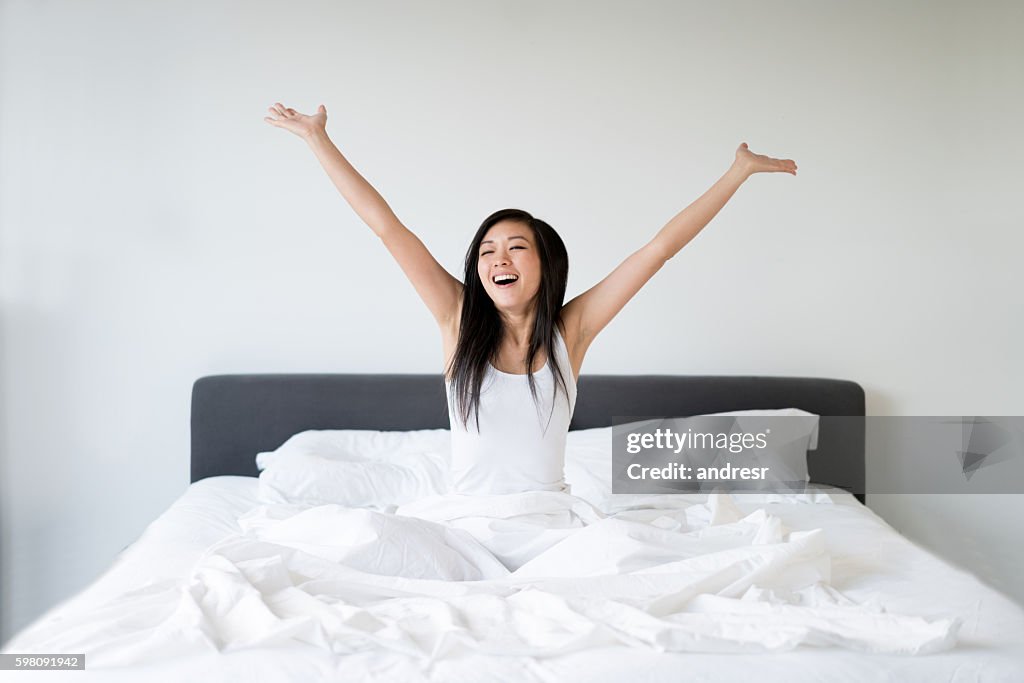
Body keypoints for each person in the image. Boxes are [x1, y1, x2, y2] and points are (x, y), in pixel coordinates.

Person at [264, 102, 797, 497]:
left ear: (547, 265)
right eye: (488, 251)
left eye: (517, 248)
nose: (500, 259)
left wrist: (738, 171)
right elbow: (387, 227)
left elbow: (658, 250)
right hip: (468, 522)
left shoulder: (573, 331)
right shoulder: (456, 318)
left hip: (550, 523)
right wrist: (317, 139)